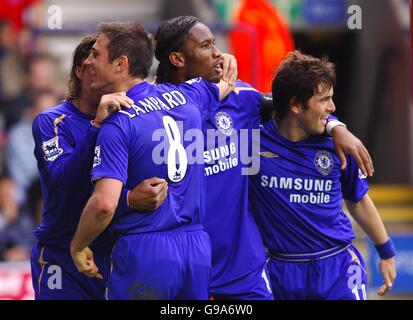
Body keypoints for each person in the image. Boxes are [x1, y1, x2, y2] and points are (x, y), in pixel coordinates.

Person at [149, 16, 374, 300]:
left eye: (215, 43)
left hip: (244, 272)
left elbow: (297, 107)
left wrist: (335, 126)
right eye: (206, 46)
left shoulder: (243, 98)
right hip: (183, 269)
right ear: (178, 58)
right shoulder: (150, 110)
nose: (218, 53)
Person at [69, 21, 235, 300]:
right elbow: (222, 87)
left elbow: (103, 205)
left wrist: (78, 245)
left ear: (120, 63)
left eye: (96, 54)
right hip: (196, 251)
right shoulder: (186, 97)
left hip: (145, 253)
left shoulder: (117, 123)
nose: (89, 61)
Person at [249, 50, 397, 300]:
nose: (332, 106)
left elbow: (358, 199)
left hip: (338, 266)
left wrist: (386, 251)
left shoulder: (338, 144)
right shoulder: (251, 144)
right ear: (295, 105)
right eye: (324, 99)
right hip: (282, 271)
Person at [30, 34, 168, 300]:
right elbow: (64, 183)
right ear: (81, 71)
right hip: (63, 254)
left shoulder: (130, 117)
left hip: (116, 253)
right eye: (93, 64)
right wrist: (96, 127)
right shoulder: (51, 122)